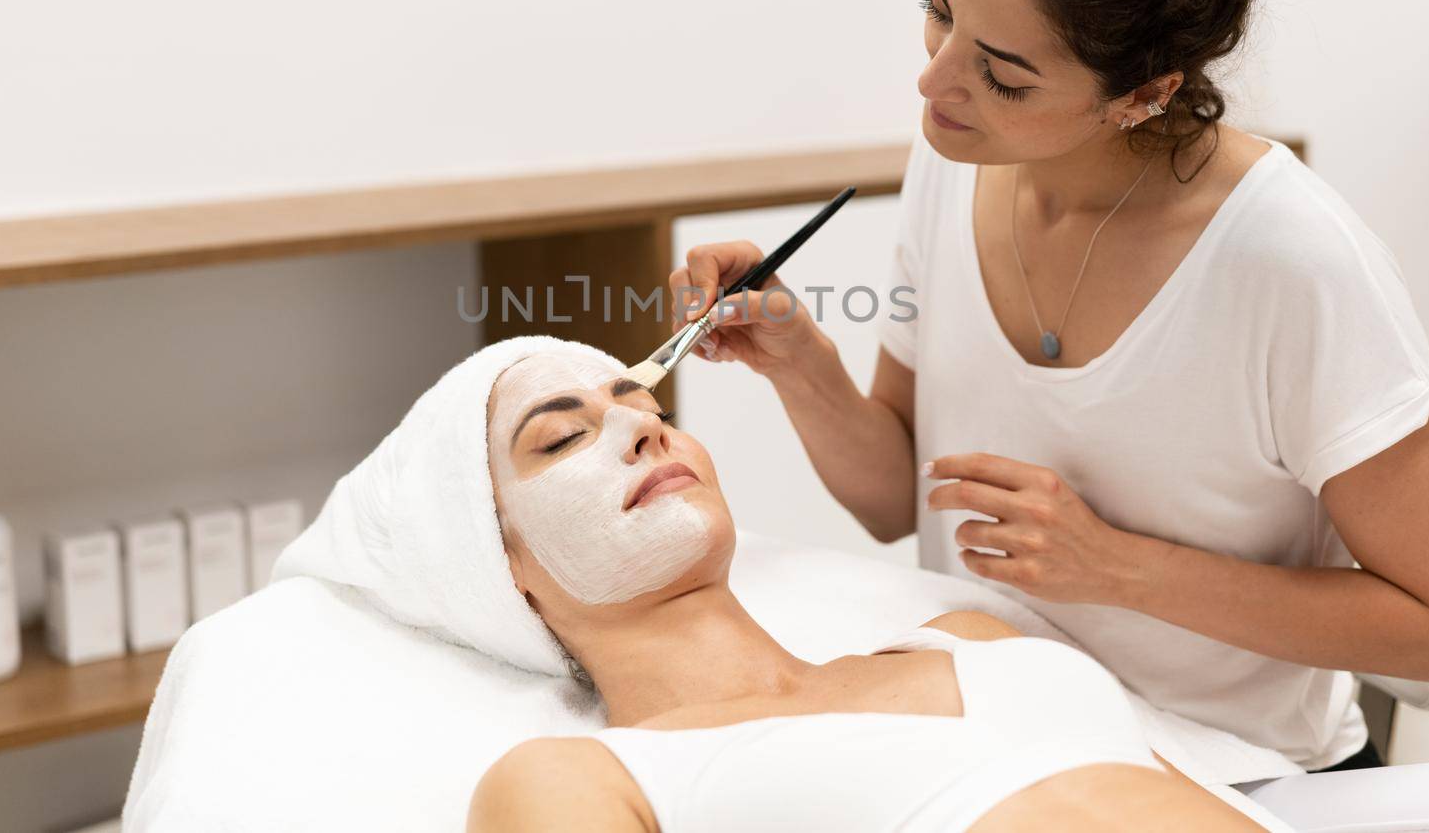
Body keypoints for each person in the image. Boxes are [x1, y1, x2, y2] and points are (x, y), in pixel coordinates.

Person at [669, 0, 1429, 772]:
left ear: (1141, 95)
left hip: (1244, 781)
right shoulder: (957, 157)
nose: (933, 84)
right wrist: (799, 360)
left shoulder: (1289, 261)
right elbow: (895, 499)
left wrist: (1120, 568)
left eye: (1001, 74)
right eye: (940, 9)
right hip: (1017, 754)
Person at [469, 344, 1264, 831]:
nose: (643, 427)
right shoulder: (574, 777)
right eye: (563, 436)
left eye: (648, 404)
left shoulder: (969, 640)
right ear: (506, 568)